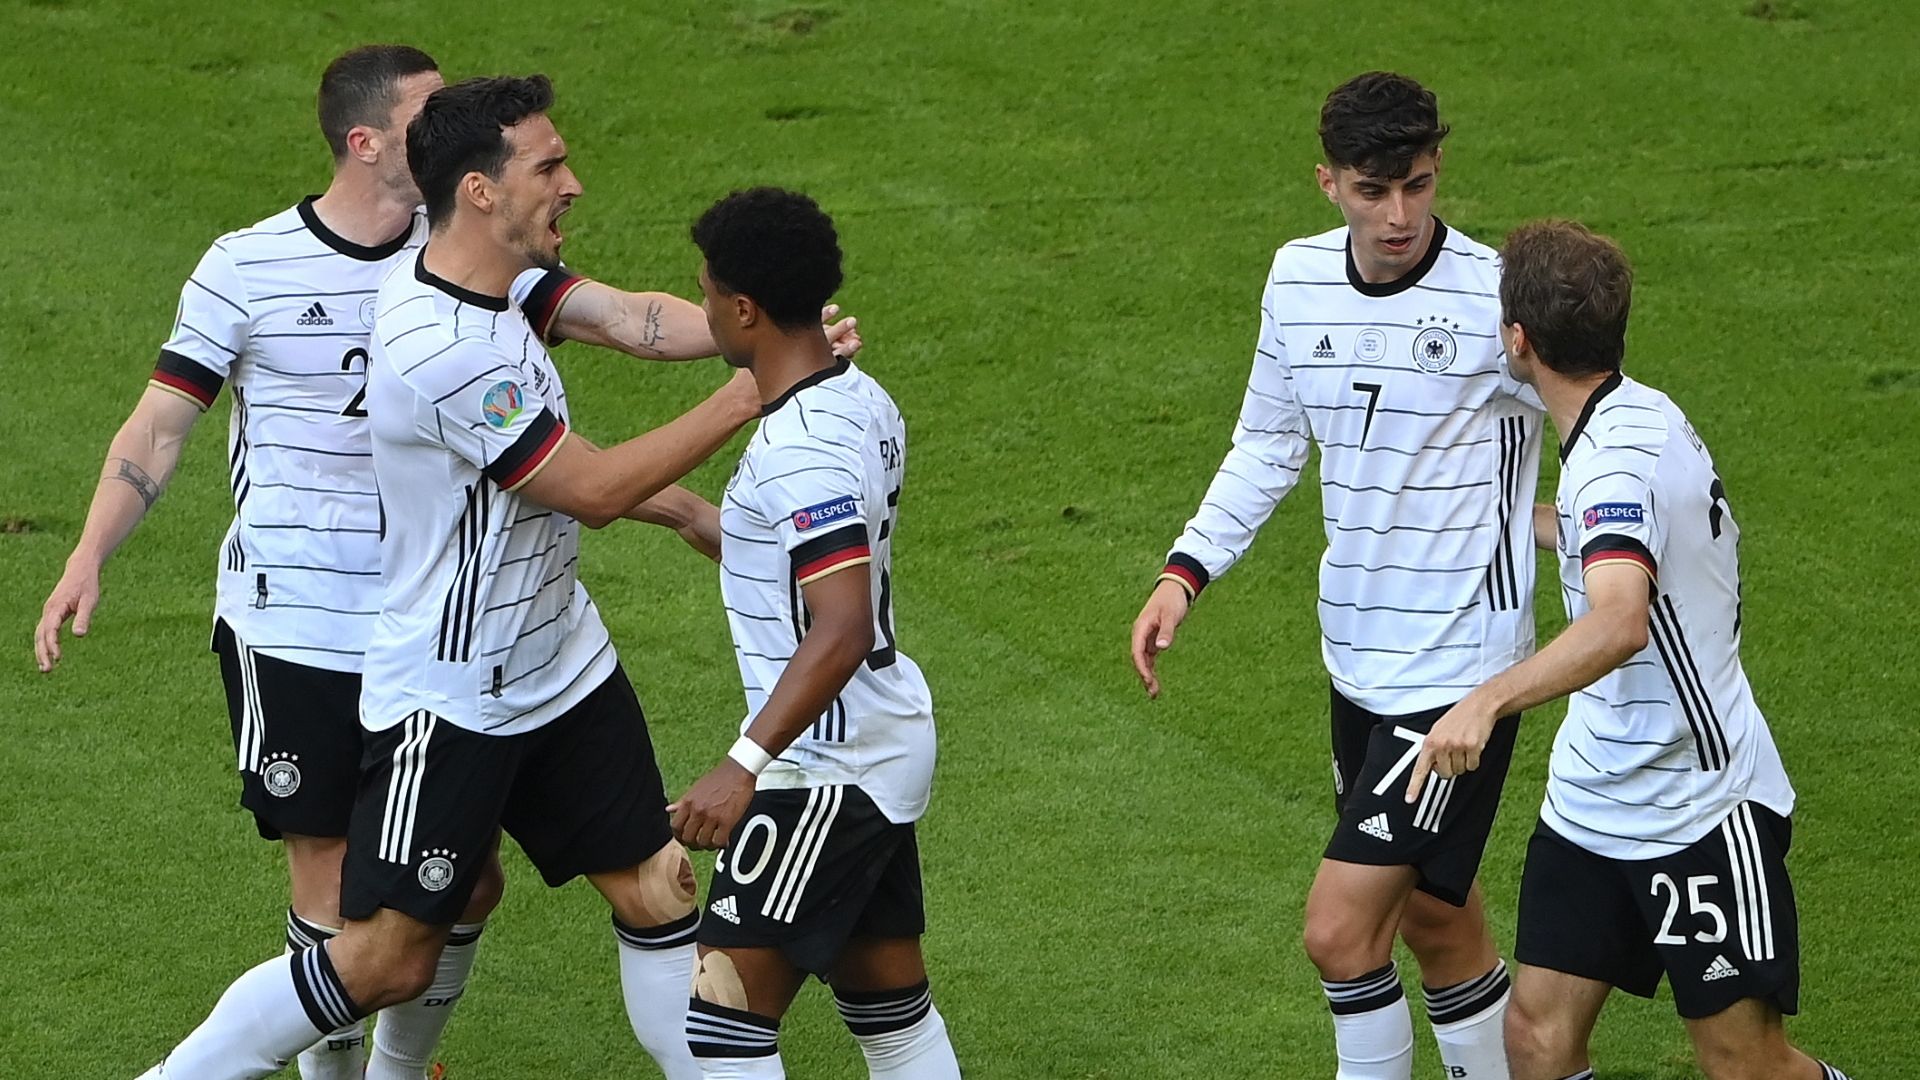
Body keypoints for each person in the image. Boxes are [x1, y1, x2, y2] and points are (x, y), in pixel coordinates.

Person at [133, 73, 765, 1080]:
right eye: (549, 165)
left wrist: (756, 317)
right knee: (386, 957)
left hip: (561, 658)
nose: (574, 184)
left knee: (660, 888)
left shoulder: (502, 281)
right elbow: (590, 487)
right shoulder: (439, 343)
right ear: (479, 190)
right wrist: (750, 391)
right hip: (457, 692)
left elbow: (634, 323)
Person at [1129, 71, 1540, 1080]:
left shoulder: (1498, 297)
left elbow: (1601, 423)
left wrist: (1598, 540)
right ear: (1328, 183)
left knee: (1340, 933)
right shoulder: (1294, 278)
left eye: (1419, 184)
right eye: (1373, 189)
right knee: (1438, 922)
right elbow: (1269, 442)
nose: (1399, 213)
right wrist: (1185, 573)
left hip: (1455, 677)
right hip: (1354, 662)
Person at [1406, 220, 1851, 1080]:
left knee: (1745, 1065)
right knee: (1536, 1037)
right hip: (1593, 796)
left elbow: (1619, 620)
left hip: (1698, 802)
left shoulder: (1613, 464)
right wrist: (1486, 520)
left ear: (1519, 340)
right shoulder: (1638, 412)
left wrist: (1486, 699)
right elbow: (1606, 536)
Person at [668, 187, 961, 1080]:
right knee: (888, 1006)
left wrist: (741, 766)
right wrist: (674, 507)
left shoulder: (802, 446)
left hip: (826, 766)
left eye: (710, 293)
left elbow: (840, 623)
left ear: (745, 309)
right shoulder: (859, 398)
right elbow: (801, 563)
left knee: (723, 1024)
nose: (706, 307)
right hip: (874, 741)